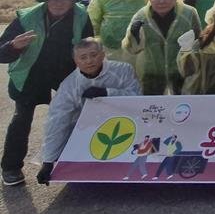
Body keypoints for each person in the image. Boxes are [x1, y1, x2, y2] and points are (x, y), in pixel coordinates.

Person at [0, 0, 93, 187]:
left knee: (75, 115)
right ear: (46, 0)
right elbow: (1, 52)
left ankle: (73, 162)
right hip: (31, 73)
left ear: (73, 1)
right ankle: (11, 167)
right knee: (22, 118)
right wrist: (14, 46)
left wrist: (91, 74)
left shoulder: (82, 16)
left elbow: (89, 46)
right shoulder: (27, 17)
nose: (59, 3)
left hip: (66, 73)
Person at [37, 38, 141, 185]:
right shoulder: (69, 85)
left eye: (93, 55)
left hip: (125, 122)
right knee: (64, 131)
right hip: (89, 128)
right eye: (83, 57)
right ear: (75, 61)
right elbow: (57, 121)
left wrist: (107, 92)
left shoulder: (123, 70)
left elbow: (138, 97)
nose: (89, 61)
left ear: (103, 54)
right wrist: (47, 162)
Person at [122, 0, 201, 95]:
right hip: (151, 75)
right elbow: (131, 49)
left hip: (182, 74)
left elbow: (199, 42)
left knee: (182, 105)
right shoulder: (141, 17)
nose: (162, 1)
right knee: (151, 106)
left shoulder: (189, 13)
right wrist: (133, 35)